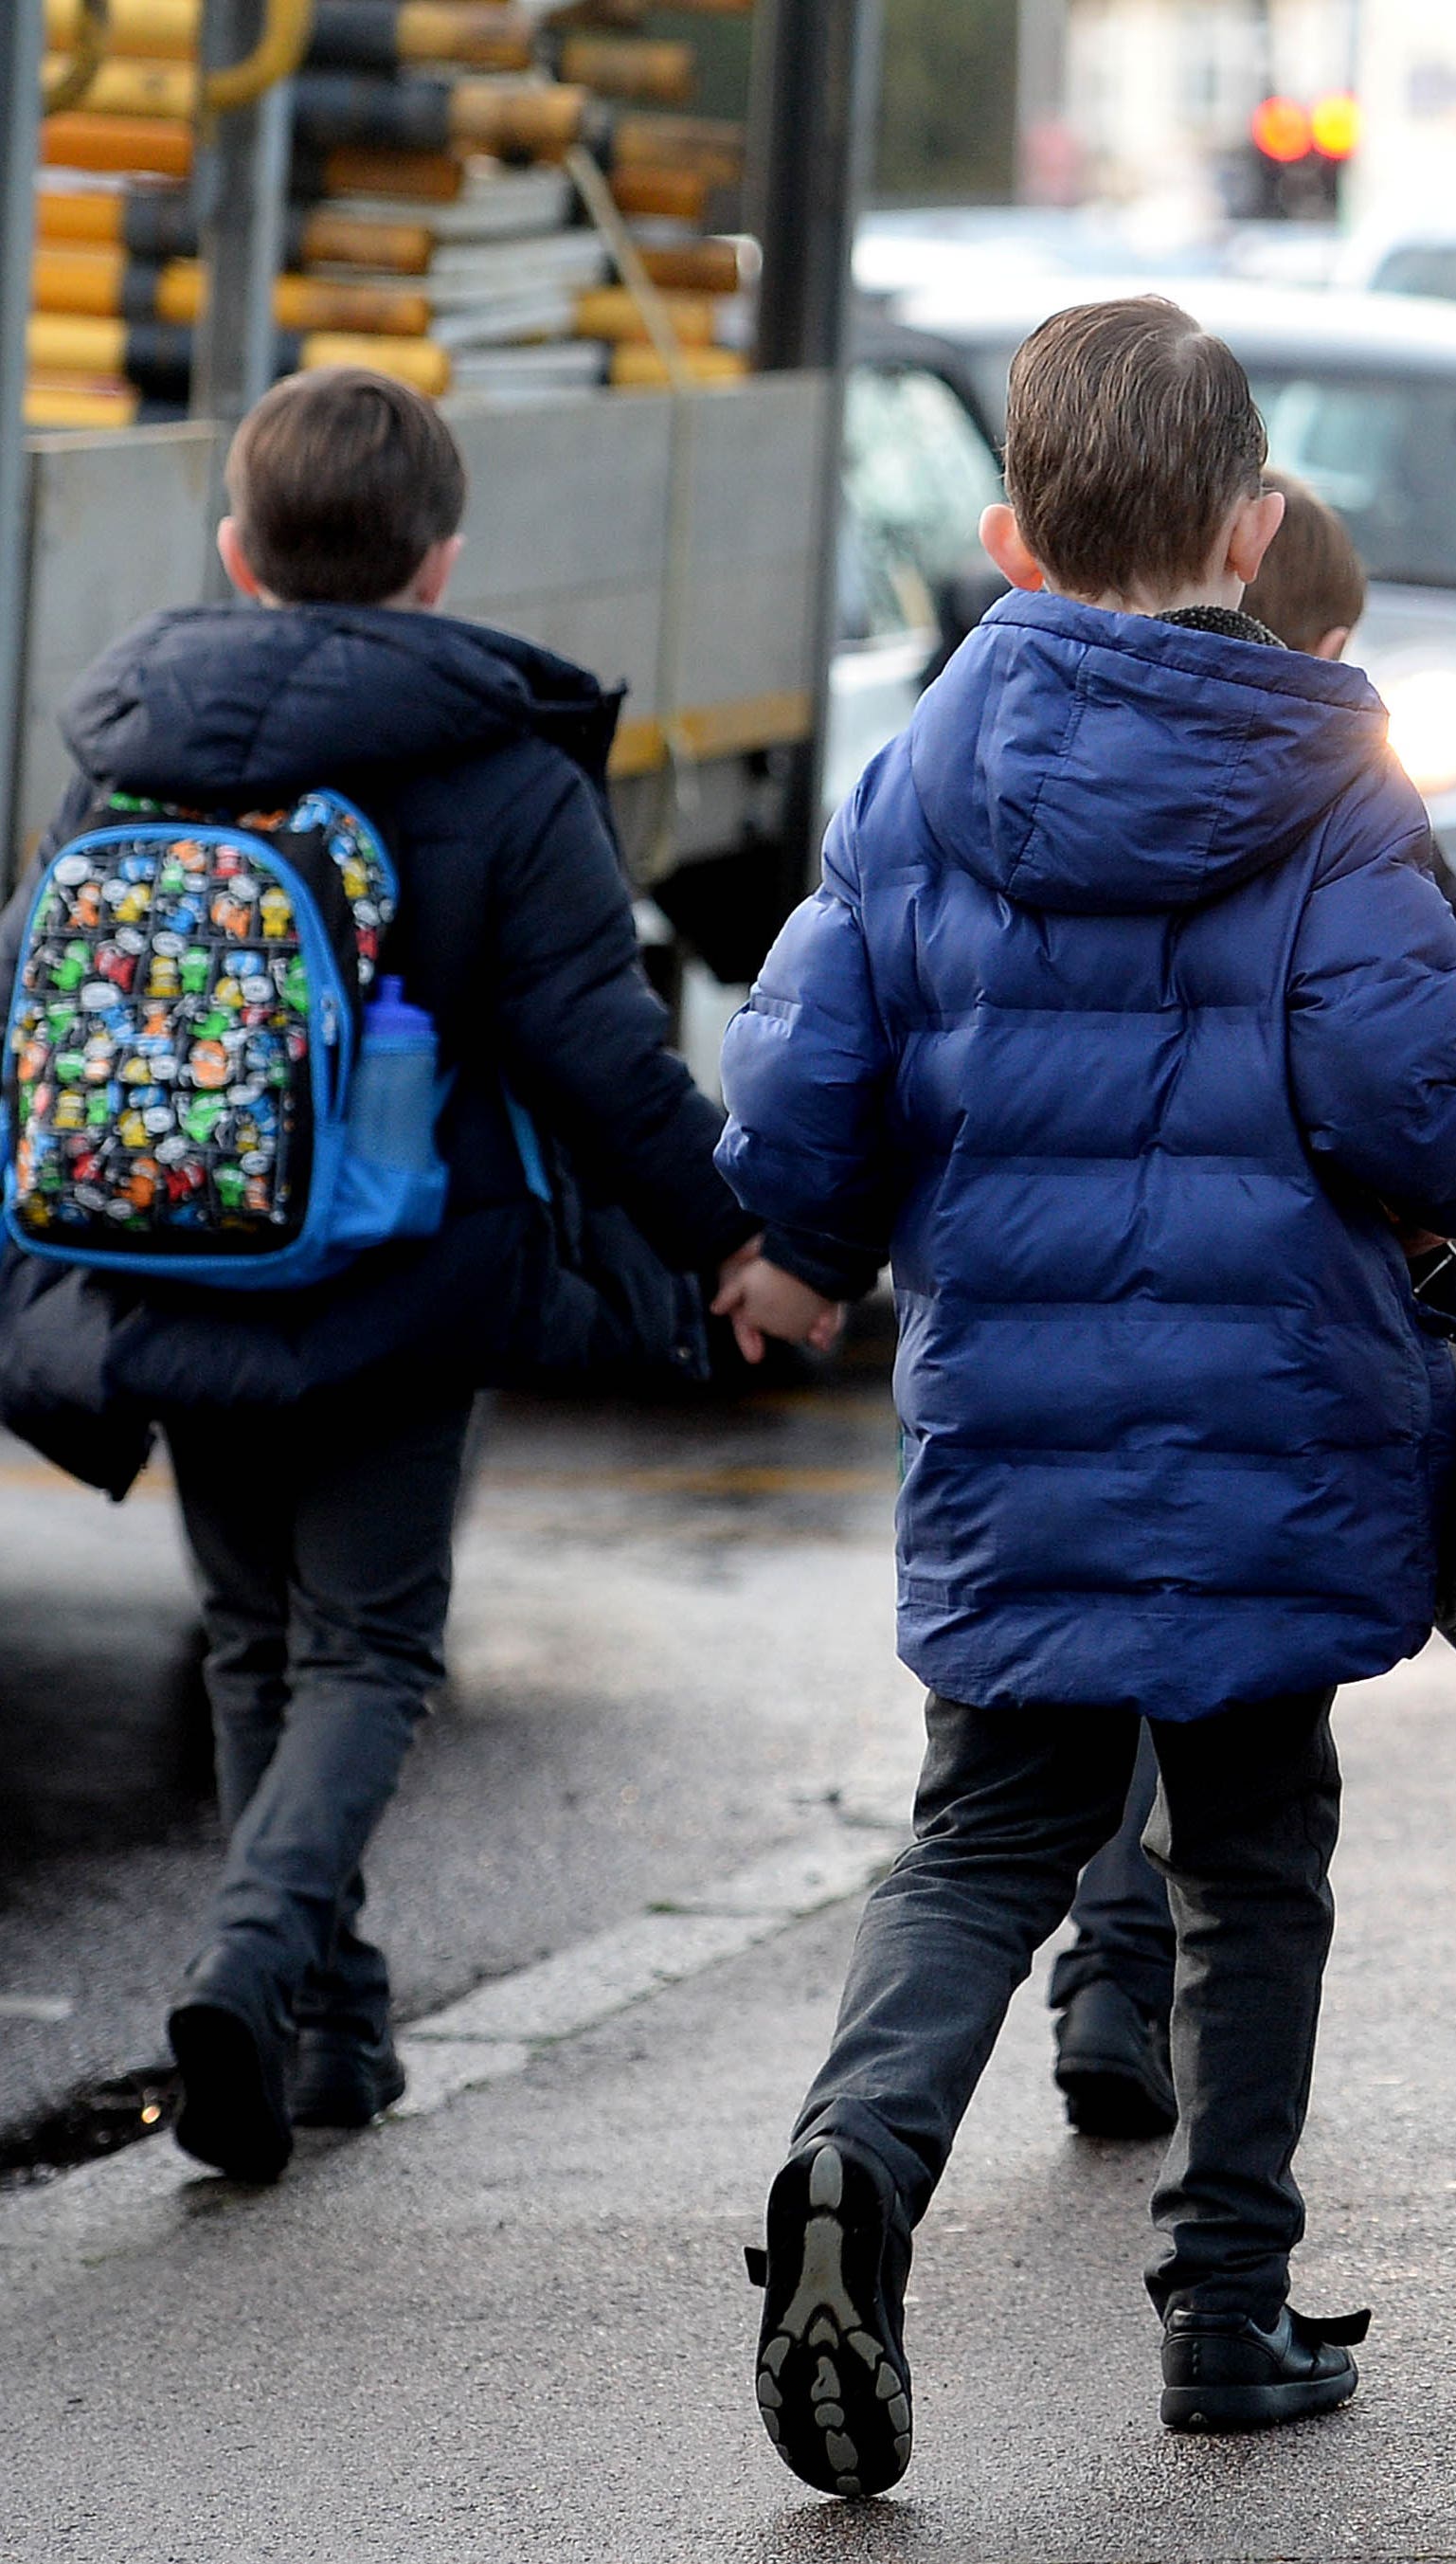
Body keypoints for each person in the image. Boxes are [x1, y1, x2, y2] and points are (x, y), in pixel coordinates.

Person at [718, 296, 1456, 2500]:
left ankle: (852, 2168)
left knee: (985, 1832)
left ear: (1005, 532)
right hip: (1277, 1424)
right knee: (1252, 1861)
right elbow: (1420, 1112)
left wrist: (801, 1240)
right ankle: (1228, 2305)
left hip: (1018, 1413)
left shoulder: (921, 778)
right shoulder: (1330, 786)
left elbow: (801, 1077)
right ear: (1254, 530)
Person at [0, 369, 833, 2184]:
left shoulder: (127, 737)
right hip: (396, 1270)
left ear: (237, 550)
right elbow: (599, 1059)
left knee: (248, 1636)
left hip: (173, 1241)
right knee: (369, 1645)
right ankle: (249, 1970)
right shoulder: (498, 766)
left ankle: (329, 2027)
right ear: (441, 563)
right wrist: (740, 1246)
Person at [1034, 468, 1456, 2141]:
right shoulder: (1328, 783)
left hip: (1052, 1320)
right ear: (1313, 638)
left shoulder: (1023, 761)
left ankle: (1103, 1972)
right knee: (1241, 1747)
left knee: (1102, 1663)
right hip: (1265, 1325)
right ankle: (1203, 2193)